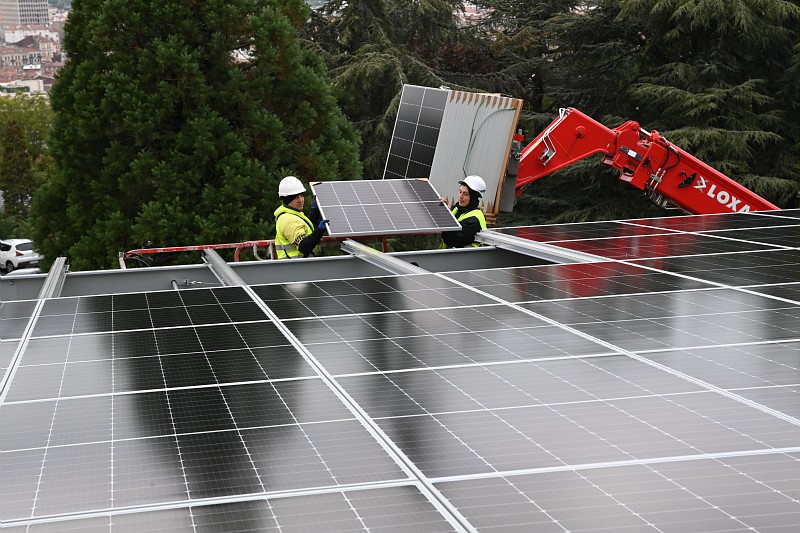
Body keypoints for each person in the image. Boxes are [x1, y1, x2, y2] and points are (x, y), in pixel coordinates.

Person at [273, 176, 329, 259]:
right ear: (287, 200)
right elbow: (304, 247)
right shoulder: (288, 220)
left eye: (301, 196)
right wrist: (319, 231)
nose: (300, 200)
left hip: (301, 265)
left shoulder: (292, 214)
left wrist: (315, 211)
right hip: (297, 267)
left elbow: (307, 232)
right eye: (296, 197)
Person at [440, 175, 488, 248]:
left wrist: (445, 214)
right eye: (460, 192)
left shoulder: (474, 220)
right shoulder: (458, 209)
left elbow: (452, 240)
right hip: (449, 257)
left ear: (473, 197)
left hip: (464, 258)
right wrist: (444, 209)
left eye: (465, 194)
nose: (460, 196)